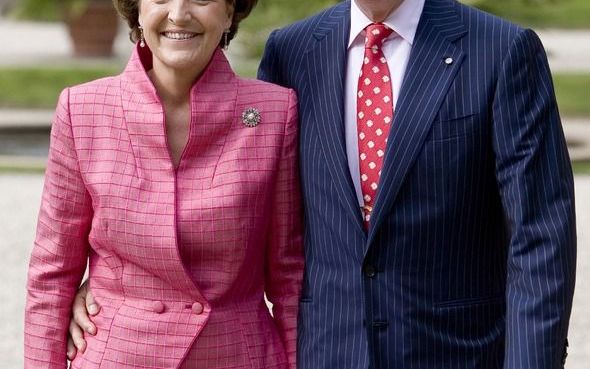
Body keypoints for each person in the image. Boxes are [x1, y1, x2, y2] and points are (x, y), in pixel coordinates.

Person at [69, 0, 576, 368]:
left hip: (455, 353)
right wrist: (121, 284)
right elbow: (245, 208)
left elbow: (542, 238)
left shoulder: (501, 50)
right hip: (325, 352)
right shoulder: (292, 51)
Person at [24, 0, 304, 368]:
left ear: (230, 10)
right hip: (116, 355)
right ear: (136, 10)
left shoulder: (275, 112)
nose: (178, 13)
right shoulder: (83, 109)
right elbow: (51, 274)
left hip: (238, 355)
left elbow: (291, 278)